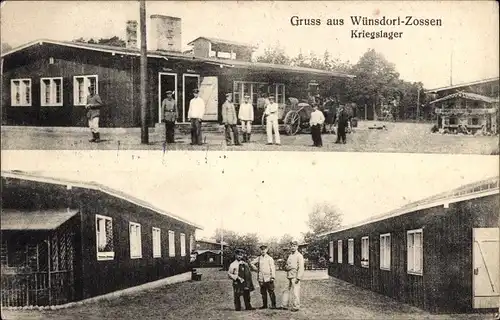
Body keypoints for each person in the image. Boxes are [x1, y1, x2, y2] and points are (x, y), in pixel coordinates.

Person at [250, 245, 277, 309]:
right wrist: (256, 269)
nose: (263, 251)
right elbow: (251, 263)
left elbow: (272, 268)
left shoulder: (270, 258)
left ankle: (273, 305)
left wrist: (272, 277)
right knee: (263, 292)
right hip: (261, 278)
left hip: (269, 277)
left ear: (266, 250)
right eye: (261, 250)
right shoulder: (259, 258)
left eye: (264, 249)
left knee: (271, 291)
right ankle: (265, 305)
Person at [281, 240, 304, 312]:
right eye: (291, 246)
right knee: (285, 290)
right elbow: (288, 265)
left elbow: (301, 267)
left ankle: (296, 306)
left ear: (297, 247)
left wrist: (298, 277)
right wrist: (286, 267)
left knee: (295, 291)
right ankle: (284, 305)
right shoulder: (290, 255)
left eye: (294, 246)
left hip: (295, 276)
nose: (292, 247)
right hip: (289, 275)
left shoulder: (299, 256)